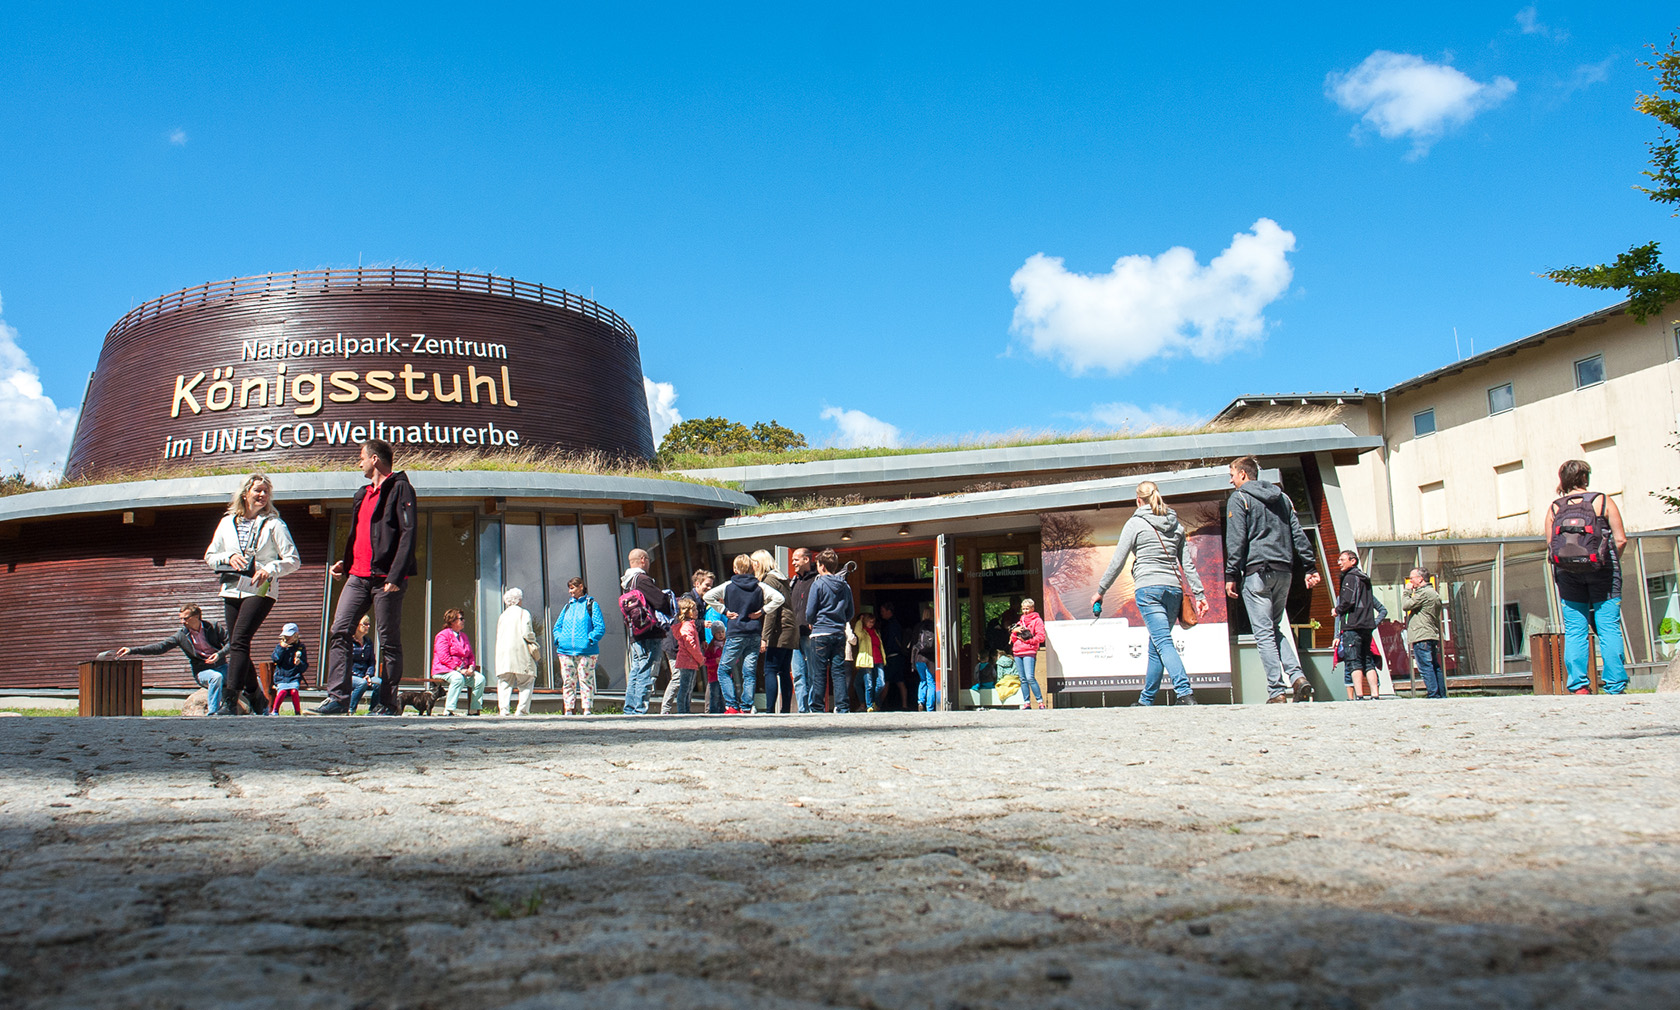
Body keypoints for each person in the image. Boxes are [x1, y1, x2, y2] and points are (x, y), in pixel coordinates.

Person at [315, 439, 418, 715]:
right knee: (339, 630)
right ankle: (338, 698)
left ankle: (388, 702)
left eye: (361, 457)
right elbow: (359, 535)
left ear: (375, 459)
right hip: (358, 576)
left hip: (387, 578)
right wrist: (346, 563)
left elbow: (408, 534)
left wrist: (396, 576)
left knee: (388, 640)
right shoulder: (361, 494)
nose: (358, 462)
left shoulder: (400, 488)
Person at [1093, 480, 1211, 707]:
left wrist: (1101, 591)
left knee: (1163, 641)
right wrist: (1200, 594)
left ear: (1138, 500)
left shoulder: (1135, 523)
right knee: (1156, 644)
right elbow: (1187, 565)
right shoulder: (1176, 525)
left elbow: (1117, 561)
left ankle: (1184, 693)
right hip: (1173, 591)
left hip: (1149, 590)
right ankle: (1146, 699)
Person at [1223, 455, 1323, 704]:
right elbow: (1298, 534)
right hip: (1284, 572)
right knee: (1273, 628)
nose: (1231, 479)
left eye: (1232, 474)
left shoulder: (1240, 498)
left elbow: (1237, 540)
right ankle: (1298, 677)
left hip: (1257, 572)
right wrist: (1309, 566)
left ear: (1244, 475)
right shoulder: (1283, 498)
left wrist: (1231, 574)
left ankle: (1276, 691)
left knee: (1264, 633)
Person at [204, 473, 300, 715]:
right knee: (238, 643)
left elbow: (293, 560)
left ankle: (230, 701)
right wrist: (228, 557)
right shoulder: (226, 522)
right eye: (258, 490)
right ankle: (256, 695)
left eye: (266, 491)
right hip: (232, 587)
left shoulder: (275, 524)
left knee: (239, 640)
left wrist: (270, 568)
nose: (262, 495)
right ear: (245, 493)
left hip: (261, 588)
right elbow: (210, 555)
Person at [1548, 459, 1629, 694]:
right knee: (1608, 627)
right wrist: (1608, 561)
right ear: (1585, 478)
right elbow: (1621, 539)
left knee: (1575, 629)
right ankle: (1614, 686)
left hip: (1568, 573)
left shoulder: (1555, 508)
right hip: (1603, 572)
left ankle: (1579, 686)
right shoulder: (1602, 501)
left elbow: (1551, 546)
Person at [705, 554, 785, 714]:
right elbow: (779, 598)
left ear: (735, 569)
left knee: (723, 670)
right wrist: (762, 611)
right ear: (751, 568)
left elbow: (708, 596)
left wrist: (724, 611)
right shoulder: (759, 586)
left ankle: (732, 705)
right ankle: (747, 706)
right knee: (749, 672)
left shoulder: (728, 585)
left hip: (735, 632)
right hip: (754, 632)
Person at [117, 603, 229, 716]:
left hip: (222, 666)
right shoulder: (181, 636)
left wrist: (219, 655)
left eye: (185, 618)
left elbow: (231, 643)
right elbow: (160, 647)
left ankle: (238, 707)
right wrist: (132, 650)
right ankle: (213, 713)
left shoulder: (213, 627)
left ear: (196, 617)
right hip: (203, 671)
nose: (182, 622)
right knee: (216, 677)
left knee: (240, 673)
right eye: (180, 619)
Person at [619, 548, 673, 715]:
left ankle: (630, 707)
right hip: (649, 631)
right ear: (643, 559)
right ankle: (640, 708)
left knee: (636, 668)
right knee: (647, 669)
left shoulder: (627, 583)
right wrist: (668, 599)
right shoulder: (642, 579)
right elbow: (659, 602)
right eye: (648, 560)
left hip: (635, 631)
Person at [805, 549, 855, 713]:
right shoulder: (845, 585)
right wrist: (841, 620)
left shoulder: (817, 584)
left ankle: (818, 707)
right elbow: (850, 612)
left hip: (820, 632)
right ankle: (842, 706)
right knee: (838, 671)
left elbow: (810, 611)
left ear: (821, 566)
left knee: (819, 672)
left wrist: (812, 621)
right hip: (838, 632)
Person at [661, 569, 715, 714]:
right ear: (697, 584)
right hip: (675, 647)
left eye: (711, 586)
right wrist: (702, 624)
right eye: (707, 585)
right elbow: (687, 624)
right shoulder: (687, 600)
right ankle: (667, 709)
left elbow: (694, 625)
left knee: (686, 682)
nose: (709, 589)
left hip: (685, 649)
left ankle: (684, 709)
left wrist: (702, 638)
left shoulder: (701, 602)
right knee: (679, 679)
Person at [754, 550, 798, 714]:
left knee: (770, 669)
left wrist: (764, 637)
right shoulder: (781, 578)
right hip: (790, 628)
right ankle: (785, 708)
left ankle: (770, 710)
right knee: (785, 670)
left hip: (778, 629)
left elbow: (771, 611)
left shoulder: (768, 580)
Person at [553, 577, 605, 715]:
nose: (570, 592)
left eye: (572, 588)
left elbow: (599, 627)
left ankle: (587, 709)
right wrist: (559, 639)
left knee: (585, 680)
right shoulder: (567, 606)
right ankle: (568, 709)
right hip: (565, 651)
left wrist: (590, 639)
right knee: (568, 681)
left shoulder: (592, 605)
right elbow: (557, 626)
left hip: (587, 651)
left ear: (581, 586)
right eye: (569, 588)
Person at [1334, 551, 1382, 701]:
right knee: (1367, 660)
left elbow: (1348, 600)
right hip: (1366, 626)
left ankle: (1359, 696)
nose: (1339, 563)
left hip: (1353, 625)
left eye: (1342, 559)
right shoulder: (1364, 578)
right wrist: (1372, 623)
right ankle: (1375, 695)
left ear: (1352, 561)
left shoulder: (1350, 577)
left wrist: (1337, 610)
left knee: (1353, 661)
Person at [1402, 568, 1446, 699]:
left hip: (1422, 635)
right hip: (1429, 634)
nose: (1410, 581)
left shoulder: (1425, 593)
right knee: (1433, 666)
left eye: (1412, 578)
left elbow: (1406, 605)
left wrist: (1407, 591)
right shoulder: (1432, 593)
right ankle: (1440, 693)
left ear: (1420, 578)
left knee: (1426, 667)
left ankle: (1434, 694)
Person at [495, 587, 539, 716]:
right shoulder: (523, 613)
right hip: (521, 651)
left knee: (504, 681)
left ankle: (504, 709)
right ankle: (522, 709)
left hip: (504, 653)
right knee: (526, 680)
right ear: (519, 600)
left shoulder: (502, 615)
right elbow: (527, 632)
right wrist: (534, 642)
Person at [433, 608, 483, 716]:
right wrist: (458, 669)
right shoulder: (443, 635)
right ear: (452, 621)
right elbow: (443, 657)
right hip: (444, 669)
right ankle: (449, 710)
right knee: (457, 678)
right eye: (461, 619)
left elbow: (470, 655)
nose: (464, 621)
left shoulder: (464, 636)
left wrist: (471, 667)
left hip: (463, 670)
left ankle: (474, 710)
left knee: (480, 679)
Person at [1008, 599, 1050, 710]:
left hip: (1029, 651)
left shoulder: (1037, 621)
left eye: (1027, 608)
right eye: (1023, 609)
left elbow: (1041, 637)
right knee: (1022, 679)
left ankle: (1040, 702)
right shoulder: (1020, 621)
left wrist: (1028, 641)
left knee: (1030, 677)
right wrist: (1014, 632)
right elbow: (1013, 639)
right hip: (1017, 651)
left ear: (1032, 608)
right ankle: (1026, 703)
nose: (1025, 611)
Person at [668, 596, 706, 715]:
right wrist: (700, 659)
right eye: (693, 610)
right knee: (685, 687)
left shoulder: (689, 625)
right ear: (687, 612)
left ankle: (685, 709)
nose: (696, 612)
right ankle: (683, 710)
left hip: (690, 661)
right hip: (687, 661)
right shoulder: (687, 627)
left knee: (688, 687)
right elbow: (691, 645)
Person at [270, 623, 309, 715]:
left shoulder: (300, 648)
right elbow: (276, 659)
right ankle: (275, 710)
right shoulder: (280, 646)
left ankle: (297, 711)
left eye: (289, 636)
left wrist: (299, 663)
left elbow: (304, 666)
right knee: (282, 691)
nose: (287, 639)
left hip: (294, 675)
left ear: (295, 636)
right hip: (281, 675)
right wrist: (282, 648)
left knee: (294, 691)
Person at [852, 609, 887, 712]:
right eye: (869, 622)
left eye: (873, 622)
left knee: (881, 683)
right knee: (869, 684)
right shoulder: (863, 633)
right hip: (868, 660)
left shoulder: (876, 632)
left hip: (878, 660)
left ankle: (872, 701)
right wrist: (860, 620)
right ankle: (869, 705)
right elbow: (857, 631)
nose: (871, 624)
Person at [876, 601, 908, 711]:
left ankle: (878, 705)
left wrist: (883, 653)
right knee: (900, 681)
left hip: (892, 656)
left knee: (886, 681)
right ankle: (904, 705)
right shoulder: (896, 624)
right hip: (899, 656)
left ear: (889, 612)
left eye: (883, 611)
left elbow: (889, 642)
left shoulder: (890, 625)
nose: (881, 613)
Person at [347, 615, 381, 713]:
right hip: (351, 675)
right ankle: (350, 709)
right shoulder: (349, 642)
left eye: (369, 624)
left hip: (365, 675)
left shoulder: (368, 642)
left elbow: (371, 661)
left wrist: (368, 675)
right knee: (361, 684)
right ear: (357, 626)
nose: (368, 626)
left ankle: (373, 710)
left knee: (379, 683)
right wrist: (360, 676)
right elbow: (346, 663)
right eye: (365, 624)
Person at [911, 603, 939, 711]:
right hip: (930, 659)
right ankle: (929, 707)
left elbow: (914, 643)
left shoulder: (918, 626)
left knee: (922, 680)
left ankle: (920, 701)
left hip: (919, 658)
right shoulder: (935, 626)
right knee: (931, 682)